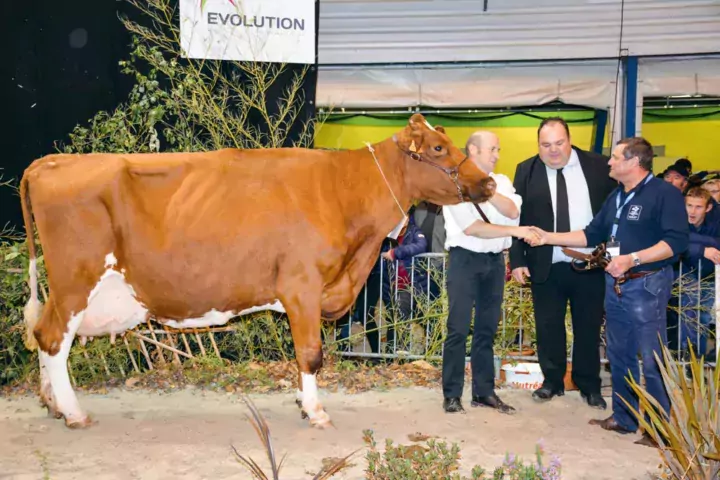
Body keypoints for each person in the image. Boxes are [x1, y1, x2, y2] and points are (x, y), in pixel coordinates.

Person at [529, 136, 689, 447]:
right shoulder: (617, 196)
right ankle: (625, 418)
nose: (609, 162)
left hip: (647, 285)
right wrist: (548, 237)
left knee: (652, 357)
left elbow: (676, 241)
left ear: (633, 162)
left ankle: (659, 428)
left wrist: (633, 258)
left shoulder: (664, 194)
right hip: (616, 285)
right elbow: (591, 234)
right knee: (619, 355)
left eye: (615, 157)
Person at [508, 117, 617, 409]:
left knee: (588, 327)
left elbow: (613, 217)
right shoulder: (526, 170)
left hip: (590, 264)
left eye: (559, 143)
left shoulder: (599, 167)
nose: (553, 150)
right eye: (546, 145)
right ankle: (552, 381)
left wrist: (616, 255)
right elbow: (517, 220)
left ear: (569, 140)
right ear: (538, 145)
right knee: (548, 327)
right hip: (545, 264)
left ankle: (589, 385)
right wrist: (516, 260)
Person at [441, 130, 538, 415]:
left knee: (487, 329)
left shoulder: (503, 182)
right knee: (457, 329)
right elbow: (473, 229)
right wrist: (516, 231)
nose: (497, 154)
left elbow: (511, 211)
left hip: (495, 262)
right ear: (473, 150)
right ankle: (452, 394)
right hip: (464, 260)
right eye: (492, 149)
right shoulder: (453, 187)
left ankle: (484, 392)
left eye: (498, 149)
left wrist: (488, 188)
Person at [675, 187, 719, 360]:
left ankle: (696, 359)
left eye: (698, 207)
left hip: (709, 275)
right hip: (684, 272)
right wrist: (702, 249)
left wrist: (691, 242)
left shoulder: (716, 219)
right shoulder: (676, 217)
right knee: (689, 313)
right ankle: (688, 357)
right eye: (689, 205)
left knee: (703, 316)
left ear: (708, 208)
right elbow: (673, 241)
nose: (692, 212)